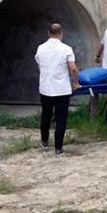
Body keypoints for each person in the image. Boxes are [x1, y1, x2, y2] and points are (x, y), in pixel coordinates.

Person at [34, 23, 80, 155]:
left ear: (48, 33)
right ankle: (58, 147)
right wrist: (76, 82)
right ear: (61, 34)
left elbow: (39, 63)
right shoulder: (66, 49)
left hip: (45, 88)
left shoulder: (40, 48)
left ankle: (44, 141)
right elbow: (73, 68)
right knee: (61, 118)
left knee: (46, 115)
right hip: (61, 89)